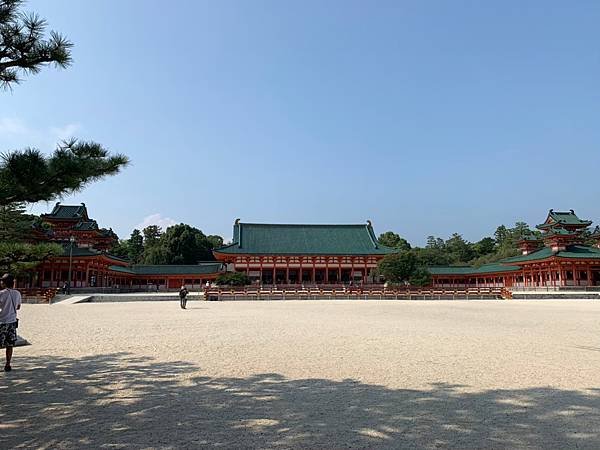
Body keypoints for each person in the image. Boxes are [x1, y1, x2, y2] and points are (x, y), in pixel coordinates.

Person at [0, 274, 21, 372]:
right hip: (12, 321)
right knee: (10, 344)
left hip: (2, 321)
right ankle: (8, 364)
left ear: (3, 283)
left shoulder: (1, 294)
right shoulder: (17, 293)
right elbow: (18, 307)